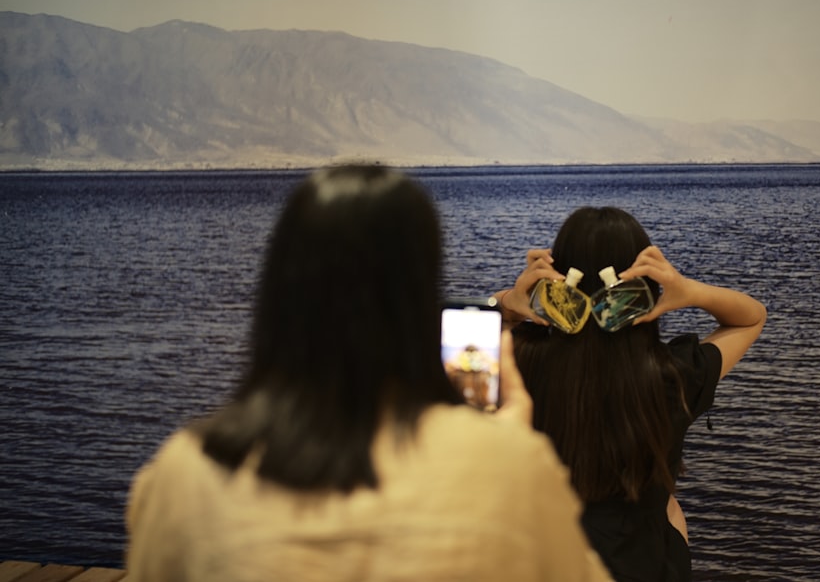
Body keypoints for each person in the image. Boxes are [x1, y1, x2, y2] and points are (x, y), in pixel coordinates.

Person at [125, 165, 611, 581]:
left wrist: (501, 306)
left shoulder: (184, 474)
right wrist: (510, 443)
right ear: (419, 293)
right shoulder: (509, 466)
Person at [494, 206, 767, 582]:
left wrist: (510, 303)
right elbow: (751, 316)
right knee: (668, 507)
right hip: (643, 568)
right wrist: (688, 290)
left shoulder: (516, 363)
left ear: (557, 282)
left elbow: (451, 337)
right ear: (640, 287)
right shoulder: (673, 375)